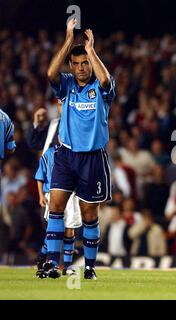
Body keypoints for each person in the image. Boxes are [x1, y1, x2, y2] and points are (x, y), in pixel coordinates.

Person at [43, 18, 115, 279]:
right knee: (56, 208)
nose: (82, 67)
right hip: (66, 156)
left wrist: (91, 49)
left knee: (88, 215)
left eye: (85, 63)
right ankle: (52, 263)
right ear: (71, 67)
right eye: (77, 64)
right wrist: (67, 41)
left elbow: (105, 79)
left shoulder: (102, 87)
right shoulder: (66, 86)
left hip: (93, 158)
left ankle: (90, 268)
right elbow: (50, 73)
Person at [34, 145, 82, 277]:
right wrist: (41, 195)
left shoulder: (77, 151)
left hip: (72, 194)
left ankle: (67, 266)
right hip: (53, 193)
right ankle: (44, 257)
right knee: (55, 232)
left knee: (69, 229)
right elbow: (40, 175)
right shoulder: (49, 153)